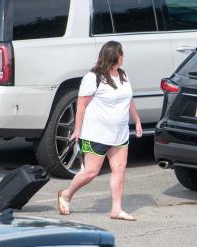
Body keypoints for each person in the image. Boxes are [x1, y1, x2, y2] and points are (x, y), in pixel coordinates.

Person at [57, 41, 142, 221]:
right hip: (96, 133)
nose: (124, 57)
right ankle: (66, 194)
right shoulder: (93, 77)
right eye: (122, 54)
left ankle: (116, 209)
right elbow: (81, 105)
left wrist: (137, 120)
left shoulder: (123, 75)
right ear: (114, 56)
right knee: (91, 172)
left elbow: (129, 100)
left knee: (119, 169)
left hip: (119, 133)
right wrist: (77, 129)